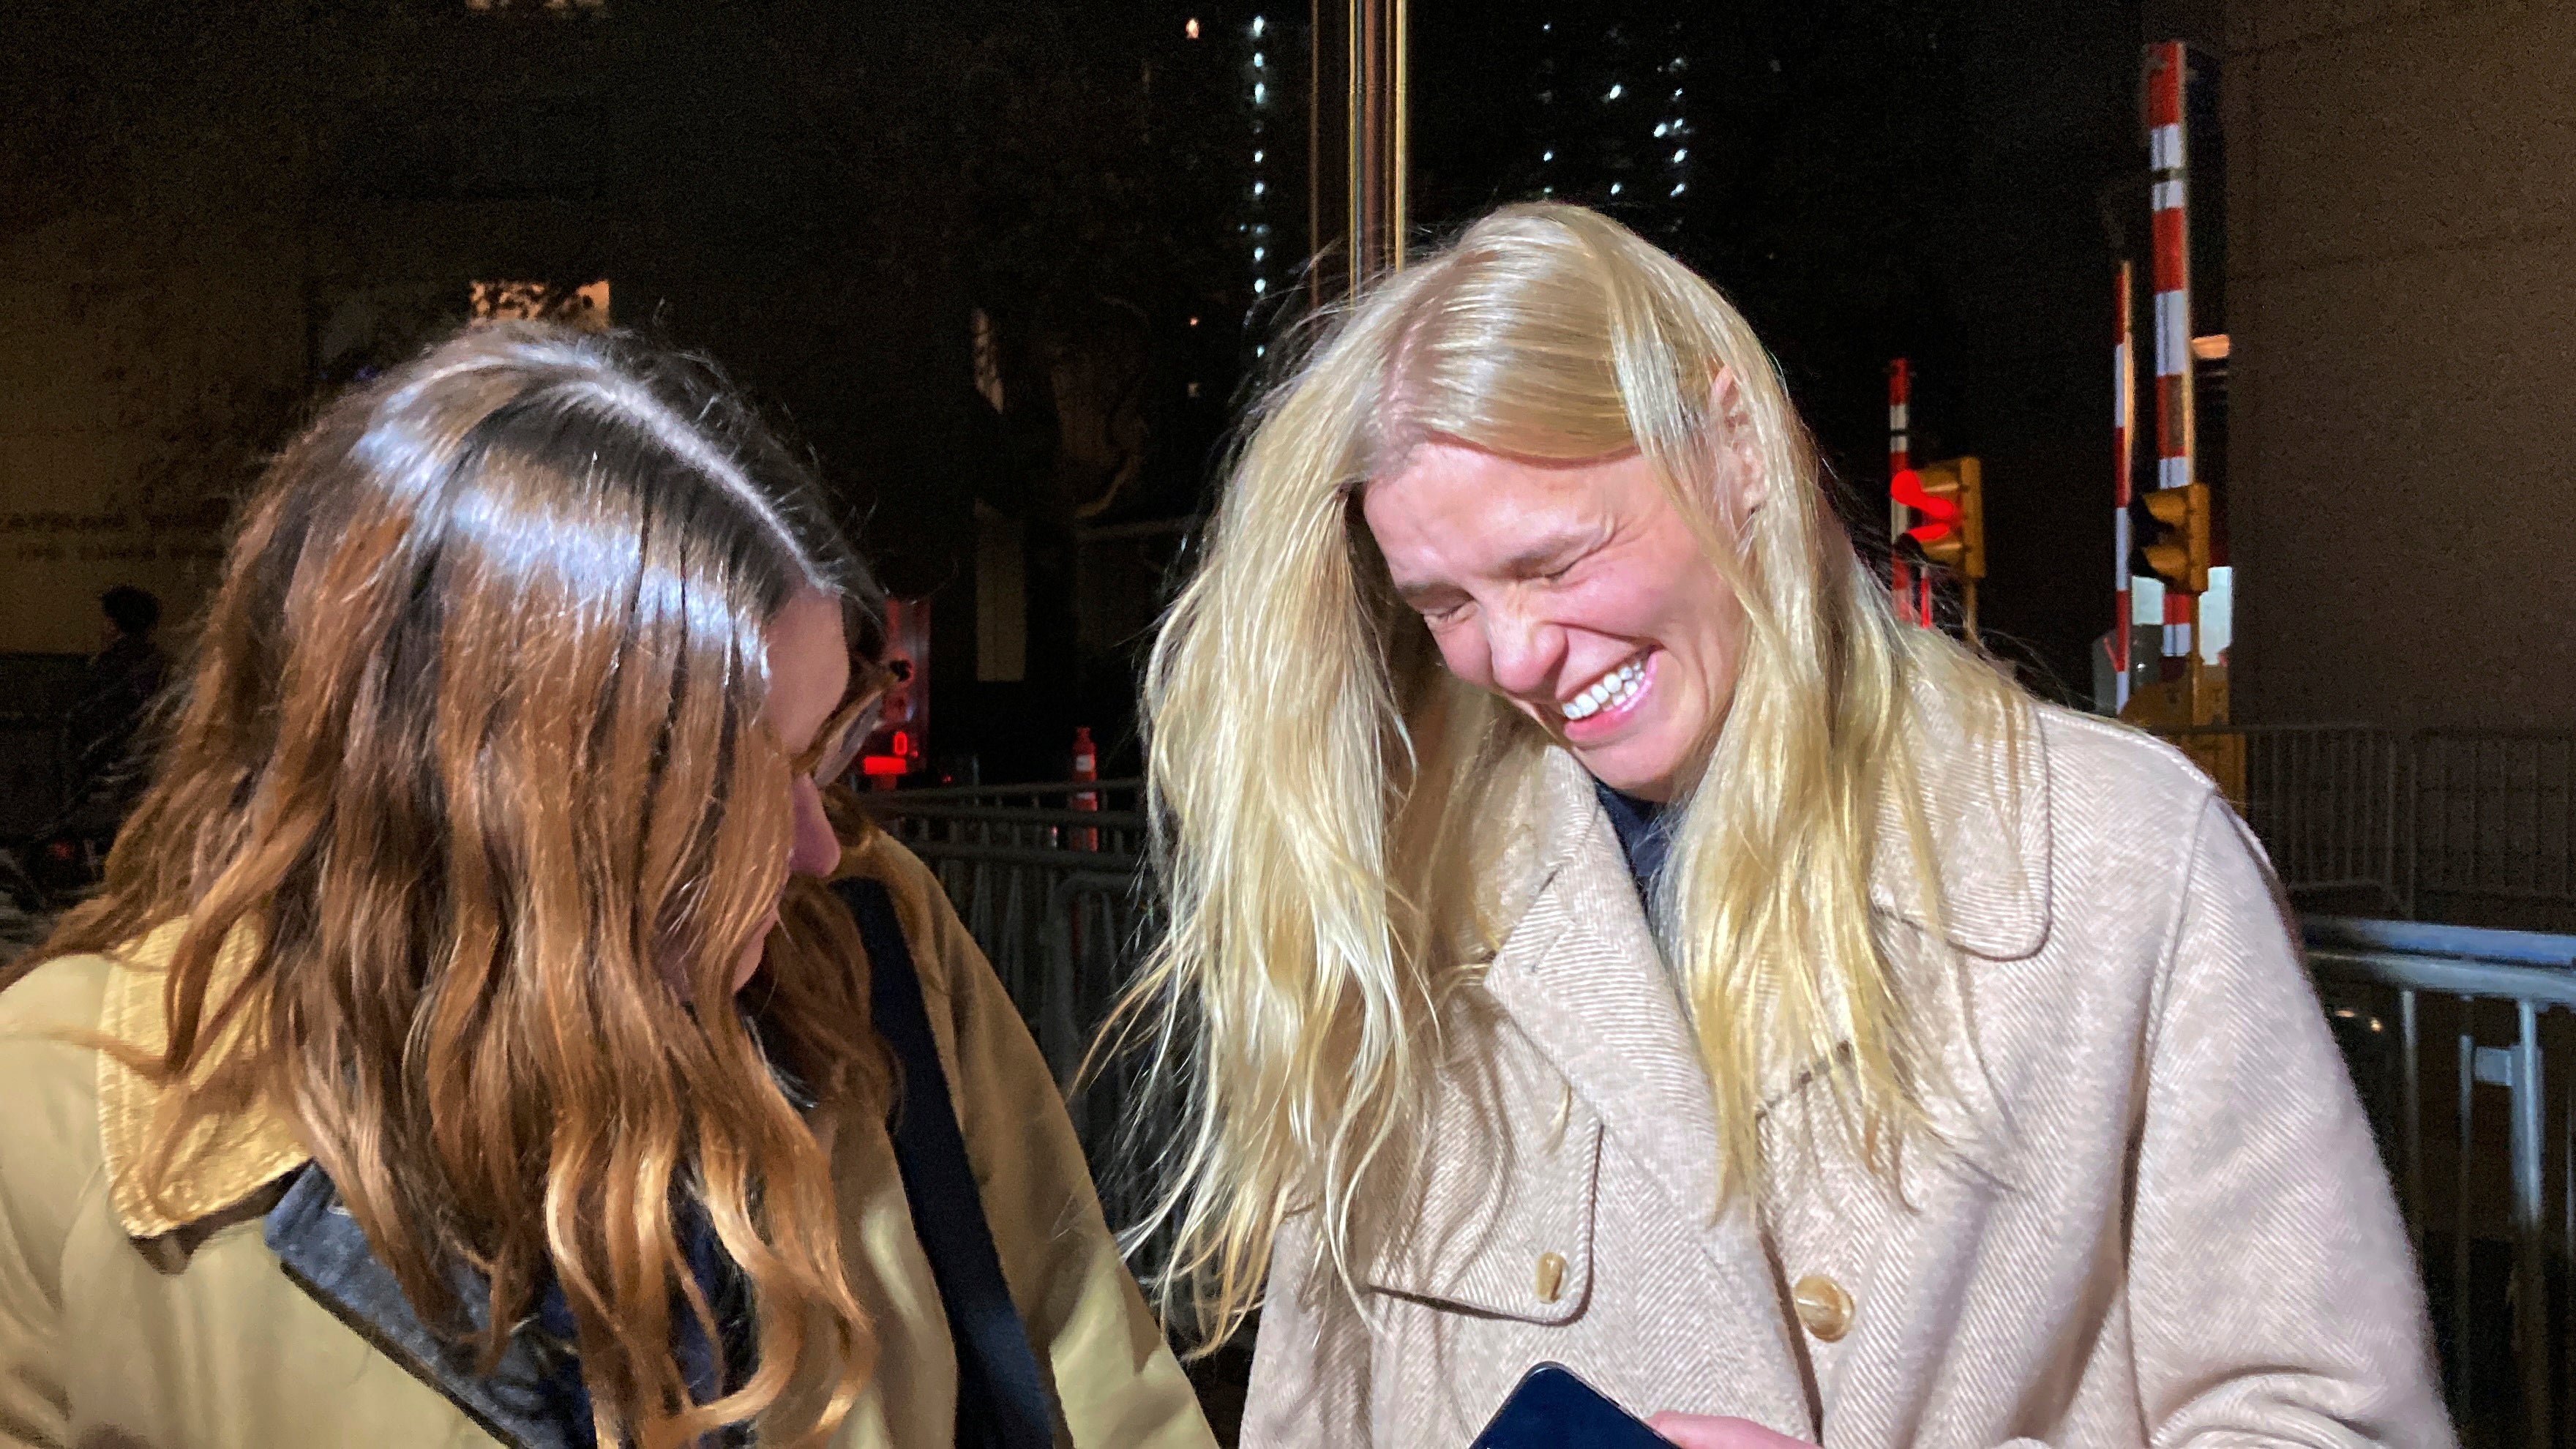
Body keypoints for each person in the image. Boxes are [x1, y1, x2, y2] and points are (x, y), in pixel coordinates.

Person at [1120, 204, 2451, 1447]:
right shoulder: (1394, 914)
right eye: (1444, 604)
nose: (1514, 654)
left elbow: (2330, 1416)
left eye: (1555, 560)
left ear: (1738, 449)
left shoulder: (2120, 858)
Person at [0, 324, 1214, 1449]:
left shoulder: (865, 935)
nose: (817, 847)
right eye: (728, 786)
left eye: (815, 754)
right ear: (483, 807)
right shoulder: (58, 1118)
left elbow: (1091, 1382)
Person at [59, 583, 168, 845]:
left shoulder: (108, 666)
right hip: (147, 773)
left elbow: (88, 723)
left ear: (113, 623)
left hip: (109, 778)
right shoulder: (158, 663)